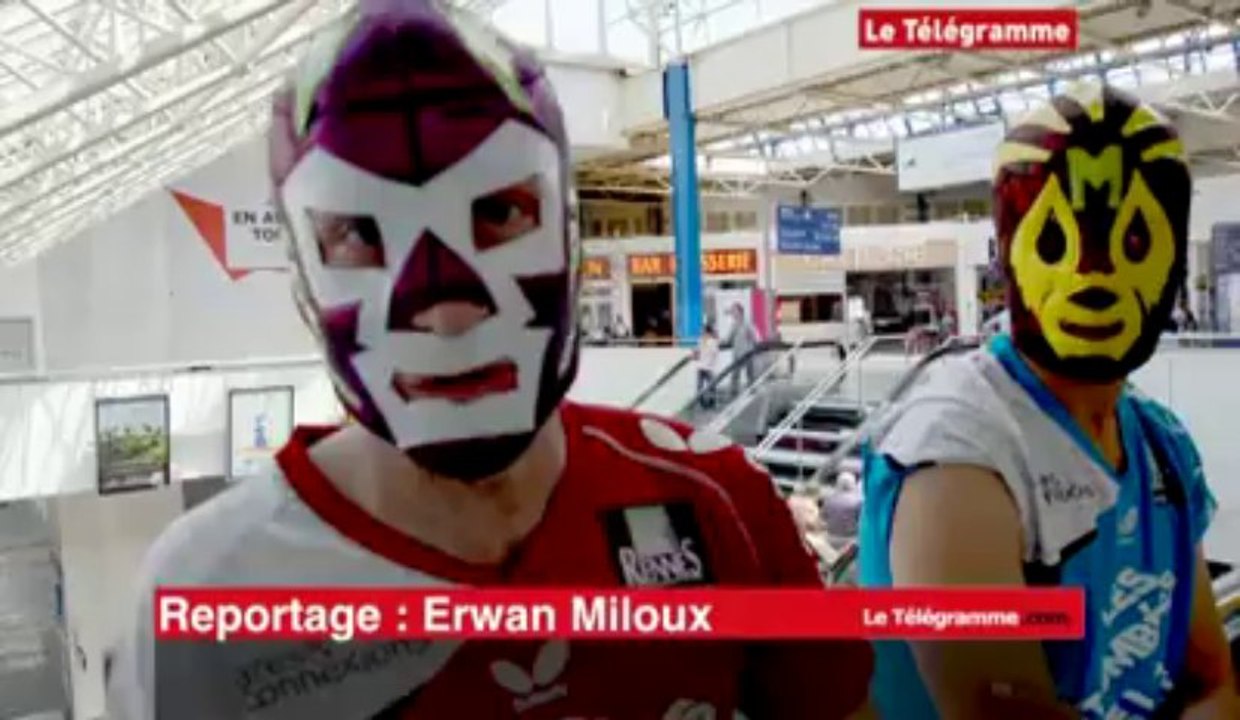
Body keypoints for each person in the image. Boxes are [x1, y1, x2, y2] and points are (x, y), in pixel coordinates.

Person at [104, 3, 873, 719]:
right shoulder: (206, 595)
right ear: (302, 275)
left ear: (570, 229)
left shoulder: (718, 500)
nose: (445, 311)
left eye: (500, 212)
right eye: (362, 236)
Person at [858, 83, 1237, 719]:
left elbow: (1213, 682)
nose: (1093, 276)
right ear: (1009, 250)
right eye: (1057, 243)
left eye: (1133, 243)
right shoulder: (957, 451)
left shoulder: (1161, 445)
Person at [725, 302, 758, 397]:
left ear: (740, 312)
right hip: (737, 353)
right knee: (735, 375)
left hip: (747, 352)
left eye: (734, 311)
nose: (732, 313)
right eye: (732, 311)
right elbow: (728, 339)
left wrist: (754, 345)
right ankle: (733, 394)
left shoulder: (747, 323)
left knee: (750, 374)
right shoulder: (733, 325)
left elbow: (754, 337)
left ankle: (752, 392)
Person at [695, 323, 720, 408]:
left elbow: (715, 353)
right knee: (699, 386)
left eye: (702, 331)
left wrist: (711, 363)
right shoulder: (700, 340)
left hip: (709, 367)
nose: (701, 332)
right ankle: (702, 403)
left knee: (712, 385)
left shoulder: (713, 341)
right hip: (700, 366)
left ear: (707, 332)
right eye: (701, 331)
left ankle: (712, 402)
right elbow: (697, 351)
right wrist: (695, 354)